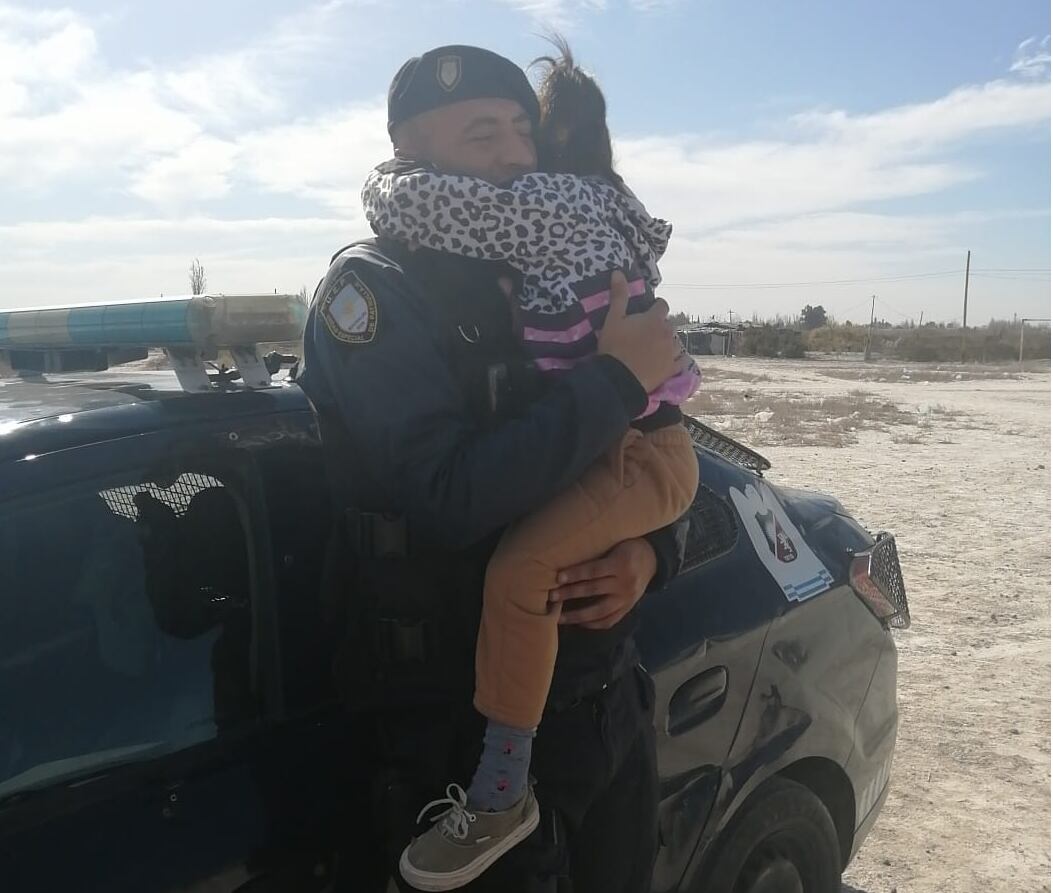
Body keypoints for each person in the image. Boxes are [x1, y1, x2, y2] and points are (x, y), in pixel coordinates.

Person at [298, 44, 689, 893]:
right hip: (461, 736)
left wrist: (654, 550)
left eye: (521, 129)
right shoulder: (375, 297)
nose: (514, 153)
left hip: (602, 702)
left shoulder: (549, 256)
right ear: (408, 150)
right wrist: (616, 378)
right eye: (482, 135)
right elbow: (447, 496)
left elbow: (652, 445)